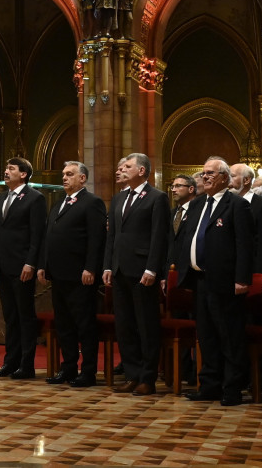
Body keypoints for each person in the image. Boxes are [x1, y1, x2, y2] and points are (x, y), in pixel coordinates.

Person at [174, 157, 254, 406]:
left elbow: (245, 245)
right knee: (206, 335)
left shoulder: (236, 205)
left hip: (226, 281)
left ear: (224, 177)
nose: (205, 177)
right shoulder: (197, 204)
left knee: (228, 335)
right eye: (203, 173)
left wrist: (242, 278)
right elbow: (188, 238)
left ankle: (232, 388)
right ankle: (209, 385)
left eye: (210, 173)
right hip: (200, 280)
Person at [103, 153, 171, 396]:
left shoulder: (157, 197)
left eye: (128, 166)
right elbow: (112, 236)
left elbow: (159, 236)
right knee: (125, 326)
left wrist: (153, 268)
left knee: (146, 325)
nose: (122, 169)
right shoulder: (119, 198)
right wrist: (108, 266)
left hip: (143, 270)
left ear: (142, 171)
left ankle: (147, 378)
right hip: (120, 269)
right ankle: (132, 374)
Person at [40, 161, 107, 387]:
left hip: (81, 275)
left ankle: (88, 372)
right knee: (64, 324)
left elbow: (96, 239)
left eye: (70, 174)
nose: (65, 178)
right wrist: (44, 265)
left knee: (84, 325)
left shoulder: (93, 203)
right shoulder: (58, 204)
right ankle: (68, 367)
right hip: (58, 275)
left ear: (83, 178)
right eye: (63, 174)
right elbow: (49, 237)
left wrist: (90, 267)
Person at [0, 157, 47, 379]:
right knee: (10, 316)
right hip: (3, 265)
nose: (6, 171)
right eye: (6, 167)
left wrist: (31, 263)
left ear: (23, 174)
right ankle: (9, 362)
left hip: (23, 265)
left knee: (24, 316)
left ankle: (26, 365)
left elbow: (37, 235)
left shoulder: (35, 198)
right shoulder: (2, 197)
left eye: (11, 168)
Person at [229, 163, 262, 273]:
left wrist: (259, 274)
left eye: (232, 176)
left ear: (246, 180)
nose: (228, 181)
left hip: (251, 270)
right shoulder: (226, 204)